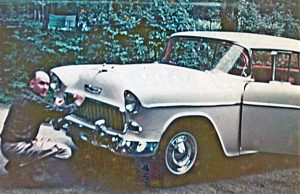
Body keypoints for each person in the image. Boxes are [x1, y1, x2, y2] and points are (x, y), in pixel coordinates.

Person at [0, 70, 85, 176]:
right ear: (32, 84)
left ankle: (14, 165)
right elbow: (59, 112)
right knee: (65, 152)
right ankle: (24, 174)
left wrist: (54, 108)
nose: (45, 87)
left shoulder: (25, 96)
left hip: (8, 145)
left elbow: (43, 116)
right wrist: (77, 103)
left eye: (47, 84)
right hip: (15, 147)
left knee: (45, 142)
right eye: (41, 83)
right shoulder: (34, 101)